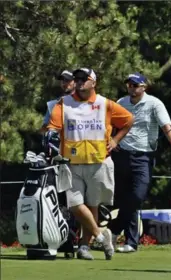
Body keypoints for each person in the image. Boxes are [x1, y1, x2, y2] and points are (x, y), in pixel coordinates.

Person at [46, 68, 134, 260]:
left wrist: (116, 140)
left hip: (98, 161)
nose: (79, 82)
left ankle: (84, 246)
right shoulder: (64, 103)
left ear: (93, 83)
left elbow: (128, 120)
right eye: (76, 79)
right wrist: (51, 136)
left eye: (83, 79)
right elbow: (53, 127)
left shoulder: (105, 104)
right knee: (75, 204)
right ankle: (101, 235)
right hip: (71, 162)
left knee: (93, 205)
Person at [109, 72, 171, 253]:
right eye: (129, 85)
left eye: (135, 85)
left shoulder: (154, 103)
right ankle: (131, 242)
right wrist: (112, 140)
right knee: (126, 198)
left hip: (144, 156)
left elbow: (166, 126)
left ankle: (113, 230)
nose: (131, 88)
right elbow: (110, 125)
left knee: (137, 196)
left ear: (144, 87)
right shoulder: (121, 103)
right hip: (122, 155)